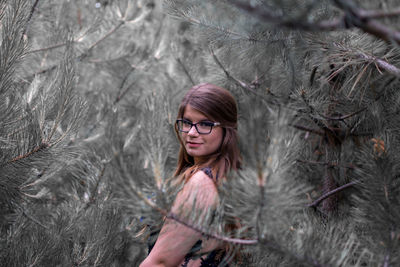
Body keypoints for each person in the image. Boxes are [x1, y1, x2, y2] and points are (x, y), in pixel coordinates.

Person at [140, 83, 241, 267]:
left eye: (205, 124)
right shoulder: (225, 179)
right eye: (187, 123)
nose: (192, 133)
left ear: (227, 129)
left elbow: (159, 263)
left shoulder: (202, 183)